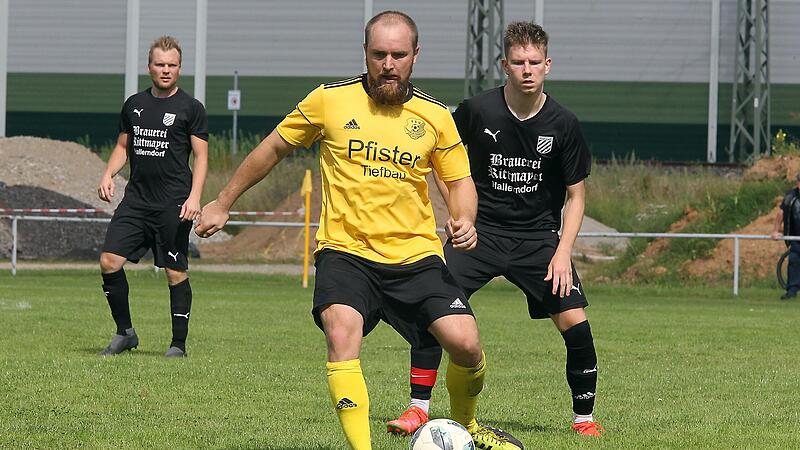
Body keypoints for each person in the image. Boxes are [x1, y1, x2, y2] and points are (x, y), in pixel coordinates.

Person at [195, 11, 523, 450]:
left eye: (399, 54)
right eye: (379, 54)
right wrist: (223, 201)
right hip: (346, 252)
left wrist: (464, 218)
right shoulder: (329, 101)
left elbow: (459, 180)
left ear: (415, 56)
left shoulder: (435, 116)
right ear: (365, 54)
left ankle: (469, 428)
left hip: (415, 256)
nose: (389, 63)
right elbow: (273, 147)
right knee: (341, 330)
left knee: (465, 344)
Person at [387, 21, 603, 438]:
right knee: (436, 310)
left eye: (535, 62)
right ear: (504, 64)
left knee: (576, 324)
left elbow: (577, 197)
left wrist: (562, 253)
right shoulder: (477, 110)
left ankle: (584, 420)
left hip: (538, 241)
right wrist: (457, 213)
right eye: (518, 62)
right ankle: (417, 408)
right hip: (479, 236)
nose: (527, 69)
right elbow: (438, 158)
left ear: (548, 65)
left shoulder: (564, 124)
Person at [96, 36, 208, 358]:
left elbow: (201, 158)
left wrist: (195, 197)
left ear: (179, 68)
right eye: (160, 64)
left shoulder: (191, 109)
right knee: (109, 261)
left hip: (173, 203)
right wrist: (108, 174)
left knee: (174, 272)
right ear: (149, 67)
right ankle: (125, 333)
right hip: (136, 201)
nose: (166, 70)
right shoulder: (134, 105)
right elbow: (122, 147)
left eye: (172, 65)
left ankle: (178, 345)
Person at [771, 173, 800, 300]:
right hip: (795, 239)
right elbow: (781, 213)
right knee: (793, 260)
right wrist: (775, 231)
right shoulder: (790, 196)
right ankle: (792, 290)